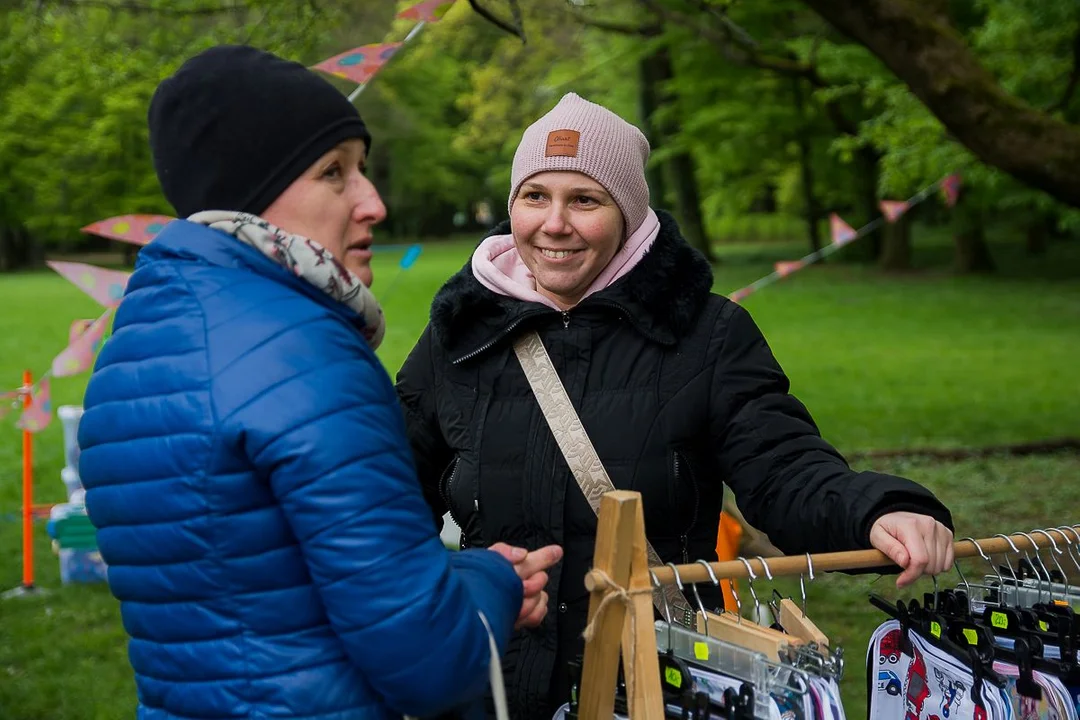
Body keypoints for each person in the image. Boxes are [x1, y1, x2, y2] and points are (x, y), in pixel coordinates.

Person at [395, 92, 955, 719]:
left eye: (585, 200)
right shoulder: (461, 334)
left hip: (656, 685)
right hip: (487, 688)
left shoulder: (707, 335)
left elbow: (783, 466)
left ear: (629, 215)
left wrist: (877, 511)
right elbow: (383, 495)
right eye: (535, 196)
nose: (554, 224)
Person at [78, 45, 561, 720]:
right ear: (249, 191)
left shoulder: (134, 349)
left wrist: (445, 580)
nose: (374, 202)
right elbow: (432, 664)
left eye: (362, 168)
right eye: (334, 173)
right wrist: (491, 579)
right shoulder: (306, 355)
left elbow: (256, 594)